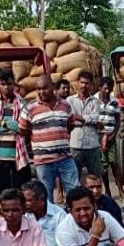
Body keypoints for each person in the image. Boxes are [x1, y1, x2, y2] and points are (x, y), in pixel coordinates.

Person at [19, 75, 80, 203]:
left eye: (45, 88)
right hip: (43, 161)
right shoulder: (30, 108)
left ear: (53, 87)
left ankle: (73, 221)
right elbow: (24, 131)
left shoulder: (65, 105)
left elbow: (70, 124)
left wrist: (58, 137)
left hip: (65, 158)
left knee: (75, 193)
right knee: (46, 197)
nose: (42, 92)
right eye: (38, 89)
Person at [0, 69, 31, 195]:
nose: (6, 87)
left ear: (14, 84)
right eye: (3, 84)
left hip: (18, 154)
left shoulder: (22, 104)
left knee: (20, 190)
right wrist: (12, 127)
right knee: (1, 191)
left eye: (9, 84)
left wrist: (2, 123)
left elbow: (22, 127)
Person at [21, 180, 67, 246]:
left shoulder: (59, 216)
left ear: (41, 199)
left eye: (29, 200)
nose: (25, 203)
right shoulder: (24, 215)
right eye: (23, 200)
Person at [68, 70, 106, 180]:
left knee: (95, 177)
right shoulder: (70, 100)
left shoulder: (96, 102)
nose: (84, 85)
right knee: (74, 178)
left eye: (87, 83)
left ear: (91, 85)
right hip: (75, 145)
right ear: (77, 83)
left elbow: (95, 118)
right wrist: (90, 121)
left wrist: (79, 118)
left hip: (92, 146)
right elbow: (69, 118)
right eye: (82, 82)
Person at [95, 76, 124, 197]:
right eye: (105, 89)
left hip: (111, 135)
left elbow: (118, 120)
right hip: (98, 137)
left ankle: (120, 189)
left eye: (110, 89)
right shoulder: (94, 100)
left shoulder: (114, 101)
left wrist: (114, 134)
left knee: (114, 164)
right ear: (100, 88)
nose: (108, 91)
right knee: (103, 166)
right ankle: (107, 190)